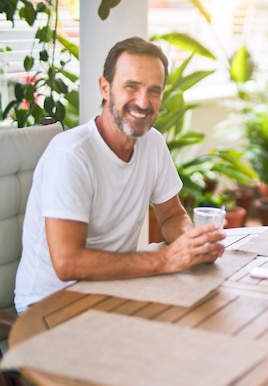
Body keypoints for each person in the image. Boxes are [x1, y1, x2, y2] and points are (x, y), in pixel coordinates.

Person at [14, 37, 225, 314]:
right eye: (131, 87)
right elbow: (68, 263)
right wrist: (165, 259)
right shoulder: (71, 155)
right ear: (105, 87)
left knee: (205, 320)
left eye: (154, 91)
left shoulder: (153, 143)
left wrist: (191, 242)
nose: (143, 101)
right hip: (49, 306)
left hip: (114, 288)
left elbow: (172, 216)